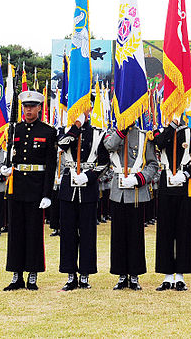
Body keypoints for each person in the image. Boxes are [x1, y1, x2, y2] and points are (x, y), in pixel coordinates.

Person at [0, 91, 57, 291]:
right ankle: (16, 275)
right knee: (15, 232)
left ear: (40, 108)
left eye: (32, 106)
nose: (28, 110)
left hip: (36, 187)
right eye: (25, 106)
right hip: (16, 187)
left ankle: (32, 274)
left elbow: (51, 165)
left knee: (33, 232)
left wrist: (47, 194)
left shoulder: (48, 132)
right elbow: (11, 157)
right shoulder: (15, 130)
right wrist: (6, 169)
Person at [56, 110, 109, 291]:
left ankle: (85, 274)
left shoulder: (98, 133)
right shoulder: (65, 130)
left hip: (88, 186)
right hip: (68, 187)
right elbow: (62, 145)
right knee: (68, 233)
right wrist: (76, 127)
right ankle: (70, 274)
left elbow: (104, 162)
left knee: (87, 233)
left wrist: (89, 176)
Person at [104, 120, 159, 291]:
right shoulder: (112, 132)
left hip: (136, 191)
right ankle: (121, 274)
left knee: (136, 235)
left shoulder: (143, 136)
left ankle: (134, 275)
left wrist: (138, 179)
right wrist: (122, 130)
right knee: (118, 235)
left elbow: (152, 164)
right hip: (118, 191)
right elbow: (109, 146)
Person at [152, 115, 191, 291]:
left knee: (183, 230)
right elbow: (160, 143)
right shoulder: (161, 132)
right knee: (165, 230)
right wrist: (172, 125)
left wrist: (187, 174)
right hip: (166, 183)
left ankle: (180, 275)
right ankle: (167, 275)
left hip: (183, 185)